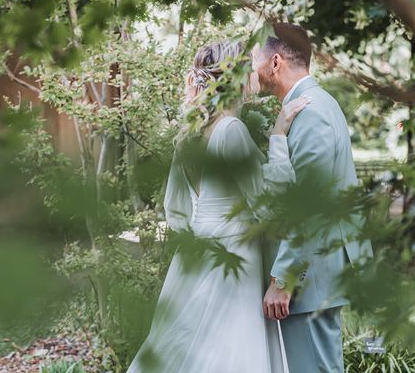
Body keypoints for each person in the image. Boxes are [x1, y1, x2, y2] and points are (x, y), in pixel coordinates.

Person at [126, 40, 308, 373]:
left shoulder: (189, 134)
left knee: (187, 349)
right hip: (234, 257)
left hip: (193, 258)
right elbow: (269, 205)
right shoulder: (231, 130)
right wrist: (280, 136)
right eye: (248, 64)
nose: (255, 70)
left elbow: (176, 211)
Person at [252, 23, 373, 373]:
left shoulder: (311, 111)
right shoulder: (312, 104)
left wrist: (283, 280)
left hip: (311, 274)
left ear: (275, 62)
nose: (251, 69)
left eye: (254, 59)